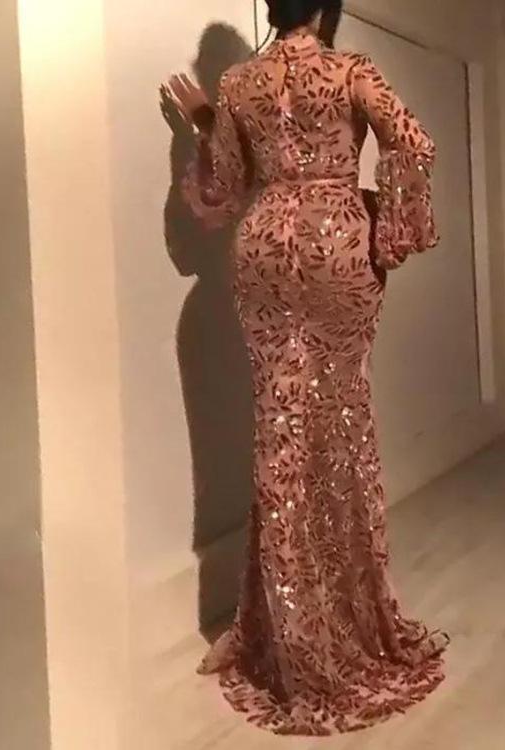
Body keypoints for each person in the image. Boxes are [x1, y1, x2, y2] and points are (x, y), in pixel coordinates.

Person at [160, 0, 449, 735]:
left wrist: (202, 125)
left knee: (281, 435)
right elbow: (415, 144)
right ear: (325, 5)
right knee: (339, 427)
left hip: (263, 252)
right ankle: (333, 627)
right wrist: (390, 228)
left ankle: (283, 628)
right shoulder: (351, 70)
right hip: (336, 248)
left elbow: (225, 190)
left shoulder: (237, 85)